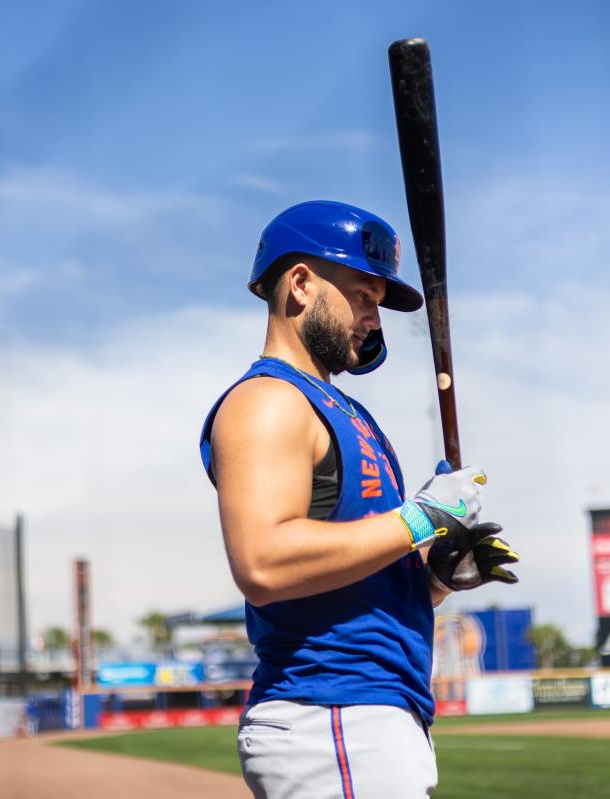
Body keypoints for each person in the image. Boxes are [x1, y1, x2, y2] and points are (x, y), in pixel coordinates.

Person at [200, 201, 520, 798]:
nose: (375, 319)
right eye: (363, 296)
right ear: (300, 284)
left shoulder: (345, 414)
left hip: (367, 715)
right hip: (332, 715)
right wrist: (421, 517)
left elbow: (357, 578)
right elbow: (264, 561)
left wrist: (438, 577)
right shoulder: (268, 401)